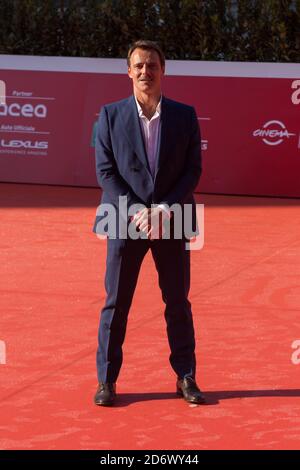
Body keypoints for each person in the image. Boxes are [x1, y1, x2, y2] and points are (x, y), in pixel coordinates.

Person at [93, 40, 205, 406]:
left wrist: (164, 209)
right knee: (116, 303)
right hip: (125, 220)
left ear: (163, 70)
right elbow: (106, 172)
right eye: (139, 66)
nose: (145, 72)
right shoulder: (109, 116)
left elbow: (192, 171)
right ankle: (106, 381)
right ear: (128, 71)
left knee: (177, 302)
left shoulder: (185, 116)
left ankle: (185, 376)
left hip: (173, 219)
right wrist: (137, 211)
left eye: (152, 65)